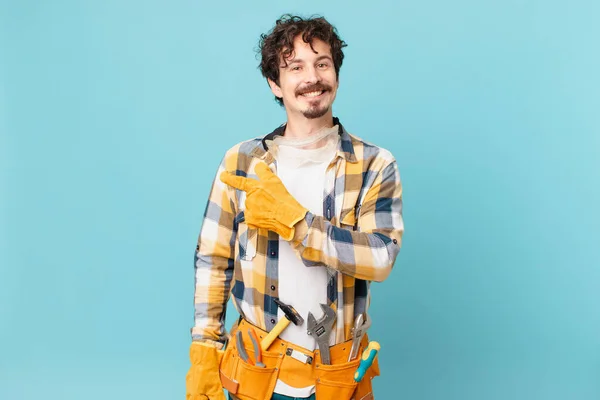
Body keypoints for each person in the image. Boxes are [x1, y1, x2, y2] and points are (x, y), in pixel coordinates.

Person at [185, 14, 404, 400]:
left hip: (339, 375)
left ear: (336, 73)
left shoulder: (374, 164)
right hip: (255, 369)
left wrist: (299, 224)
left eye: (322, 63)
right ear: (275, 83)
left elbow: (381, 257)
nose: (312, 78)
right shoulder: (242, 162)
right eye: (295, 67)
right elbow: (213, 259)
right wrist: (205, 347)